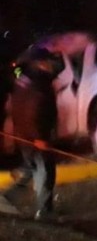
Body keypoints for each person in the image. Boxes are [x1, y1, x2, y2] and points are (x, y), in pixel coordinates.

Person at [0, 45, 63, 219]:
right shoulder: (38, 84)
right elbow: (32, 110)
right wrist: (39, 138)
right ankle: (44, 211)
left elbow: (15, 107)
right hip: (35, 137)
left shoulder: (24, 79)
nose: (51, 64)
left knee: (30, 168)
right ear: (40, 63)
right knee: (45, 171)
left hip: (24, 135)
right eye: (48, 61)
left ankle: (7, 197)